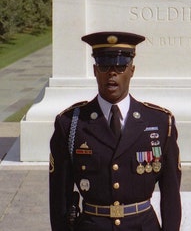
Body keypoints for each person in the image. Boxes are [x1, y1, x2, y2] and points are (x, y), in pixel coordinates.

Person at [49, 31, 182, 231]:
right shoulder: (70, 124)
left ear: (132, 70)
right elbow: (59, 198)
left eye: (120, 66)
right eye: (104, 65)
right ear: (95, 70)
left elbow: (171, 194)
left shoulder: (160, 122)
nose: (112, 73)